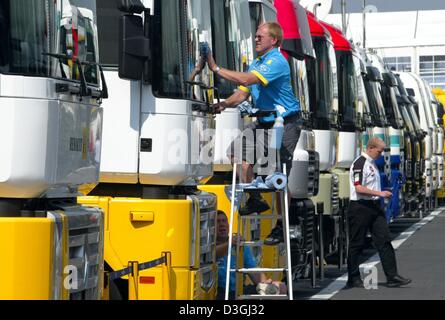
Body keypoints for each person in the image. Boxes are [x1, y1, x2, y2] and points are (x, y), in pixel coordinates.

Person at [207, 22, 301, 243]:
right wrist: (223, 104)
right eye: (256, 36)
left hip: (284, 123)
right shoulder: (256, 63)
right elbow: (241, 94)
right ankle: (255, 198)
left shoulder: (277, 61)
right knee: (236, 154)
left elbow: (247, 80)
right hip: (262, 121)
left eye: (261, 36)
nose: (256, 39)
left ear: (274, 40)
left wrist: (217, 69)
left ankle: (281, 225)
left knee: (277, 175)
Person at [347, 137, 411, 288]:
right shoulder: (360, 163)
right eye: (379, 151)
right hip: (360, 207)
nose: (381, 155)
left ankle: (392, 276)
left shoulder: (372, 164)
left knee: (384, 240)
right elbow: (359, 188)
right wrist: (380, 193)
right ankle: (353, 277)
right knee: (357, 243)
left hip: (374, 206)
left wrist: (381, 192)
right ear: (370, 148)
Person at [215, 210, 286, 299]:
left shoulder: (239, 245)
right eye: (217, 222)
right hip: (218, 292)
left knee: (280, 287)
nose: (222, 224)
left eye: (224, 221)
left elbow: (253, 270)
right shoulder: (208, 247)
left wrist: (266, 284)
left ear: (228, 225)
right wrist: (229, 244)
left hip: (238, 290)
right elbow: (215, 253)